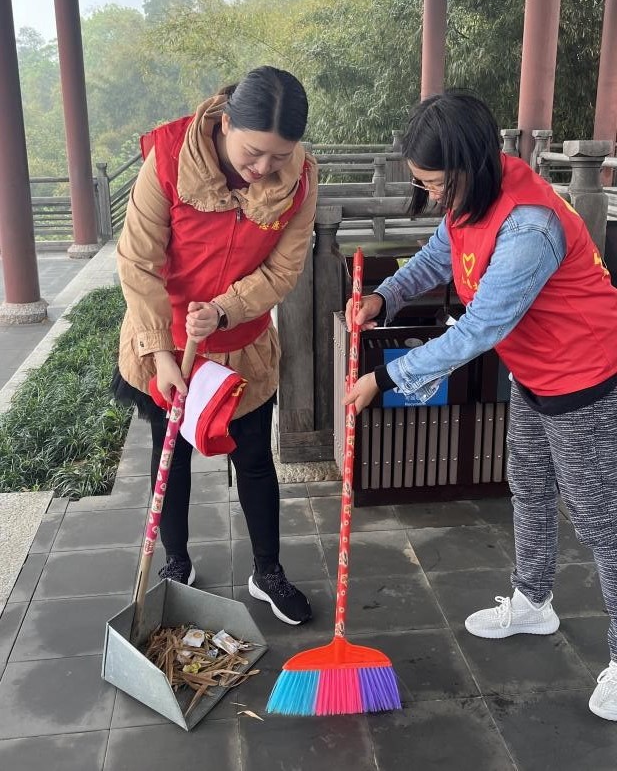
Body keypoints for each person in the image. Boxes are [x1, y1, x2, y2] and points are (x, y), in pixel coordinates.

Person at [344, 90, 617, 720]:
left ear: (471, 164)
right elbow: (437, 257)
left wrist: (385, 378)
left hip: (586, 376)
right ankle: (533, 600)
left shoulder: (530, 226)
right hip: (535, 370)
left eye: (437, 182)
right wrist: (385, 297)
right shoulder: (471, 198)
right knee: (528, 483)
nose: (432, 195)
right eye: (423, 182)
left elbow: (478, 330)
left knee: (601, 520)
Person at [113, 66, 317, 626]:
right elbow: (138, 260)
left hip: (240, 339)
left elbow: (283, 269)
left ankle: (267, 571)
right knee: (170, 454)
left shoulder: (300, 178)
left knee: (254, 457)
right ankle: (176, 562)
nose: (264, 168)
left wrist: (225, 308)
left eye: (279, 156)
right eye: (254, 152)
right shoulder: (169, 157)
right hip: (167, 337)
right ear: (225, 123)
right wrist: (160, 353)